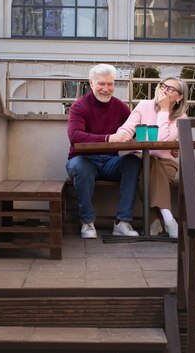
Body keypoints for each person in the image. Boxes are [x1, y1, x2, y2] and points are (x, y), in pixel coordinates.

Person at [66, 63, 142, 239]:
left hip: (110, 162)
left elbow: (136, 131)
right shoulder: (79, 106)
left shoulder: (120, 107)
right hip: (82, 159)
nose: (106, 89)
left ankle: (123, 223)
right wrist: (109, 138)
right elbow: (75, 137)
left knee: (133, 162)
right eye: (101, 84)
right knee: (81, 168)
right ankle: (87, 222)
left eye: (110, 84)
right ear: (91, 84)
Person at [115, 76, 188, 238]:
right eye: (163, 86)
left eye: (170, 89)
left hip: (165, 164)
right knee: (144, 169)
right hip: (142, 162)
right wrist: (122, 135)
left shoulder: (181, 118)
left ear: (179, 97)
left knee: (151, 165)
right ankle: (168, 219)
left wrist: (163, 111)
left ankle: (154, 220)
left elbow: (160, 141)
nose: (164, 90)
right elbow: (127, 128)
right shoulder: (144, 105)